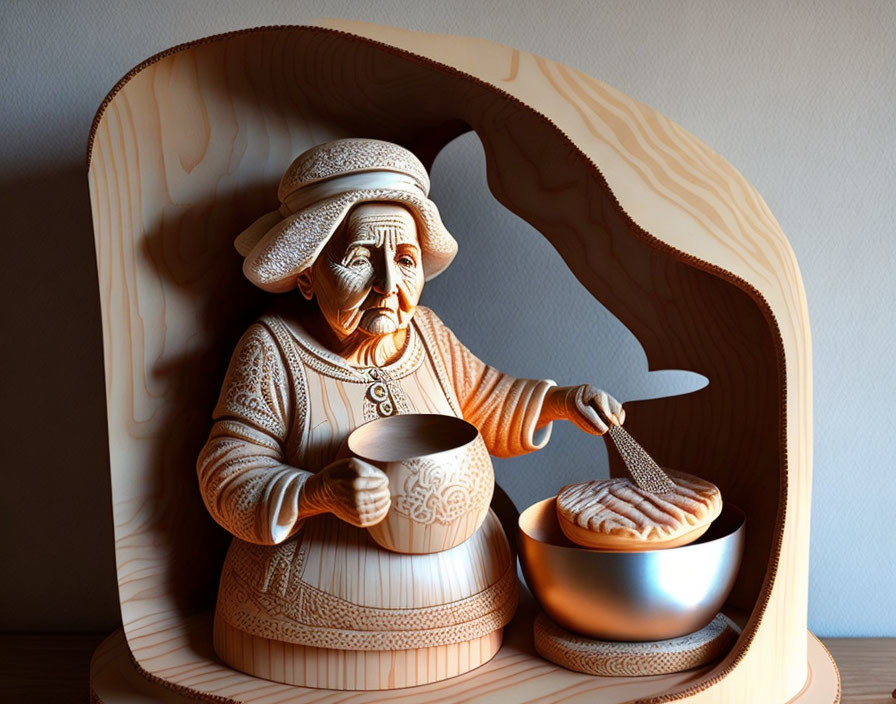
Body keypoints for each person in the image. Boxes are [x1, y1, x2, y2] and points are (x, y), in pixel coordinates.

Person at [197, 138, 625, 682]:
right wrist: (316, 492)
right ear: (306, 274)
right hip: (309, 629)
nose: (388, 286)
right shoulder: (272, 350)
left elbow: (489, 400)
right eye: (357, 259)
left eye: (404, 260)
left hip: (473, 619)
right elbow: (226, 471)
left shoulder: (426, 333)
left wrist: (559, 402)